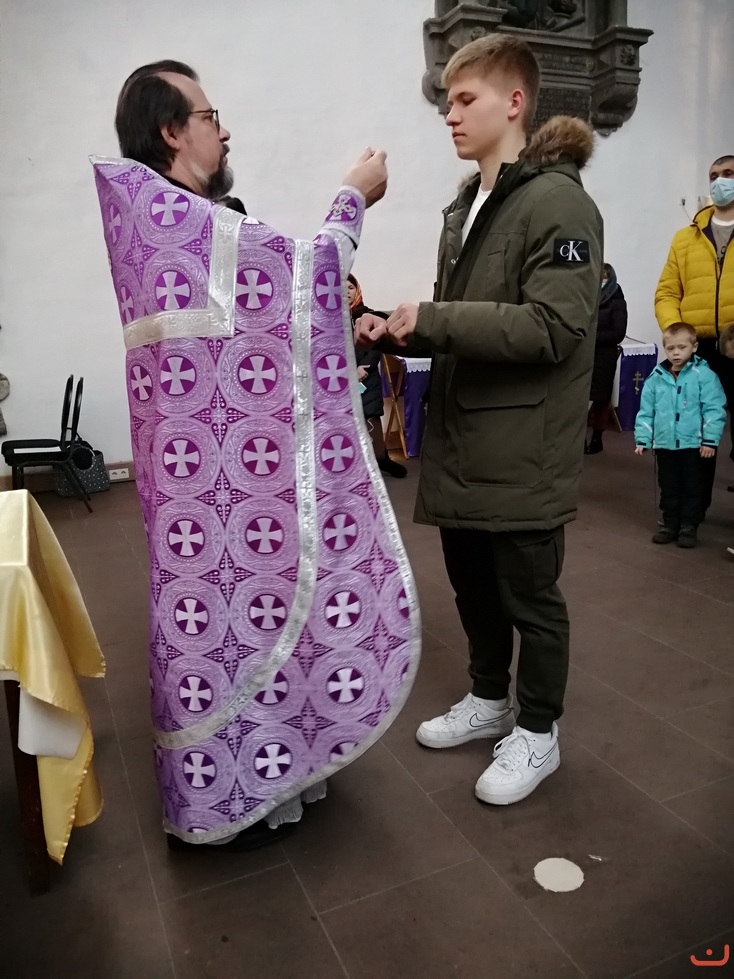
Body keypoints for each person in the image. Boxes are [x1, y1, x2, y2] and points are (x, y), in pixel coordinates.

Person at [94, 60, 420, 850]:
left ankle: (275, 772)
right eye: (210, 116)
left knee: (258, 621)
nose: (225, 129)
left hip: (240, 485)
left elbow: (272, 323)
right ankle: (232, 793)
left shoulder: (186, 220)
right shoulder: (175, 224)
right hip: (217, 494)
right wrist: (352, 198)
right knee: (230, 629)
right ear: (173, 131)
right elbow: (304, 276)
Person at [355, 35, 603, 805]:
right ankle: (490, 696)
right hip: (466, 438)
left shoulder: (559, 202)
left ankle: (538, 730)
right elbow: (472, 319)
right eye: (447, 101)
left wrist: (435, 317)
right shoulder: (467, 206)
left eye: (466, 99)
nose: (451, 115)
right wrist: (403, 328)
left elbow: (554, 328)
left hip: (523, 444)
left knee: (531, 595)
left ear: (515, 102)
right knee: (472, 585)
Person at [655, 155, 734, 500]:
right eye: (714, 175)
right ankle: (691, 513)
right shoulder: (685, 239)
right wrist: (677, 333)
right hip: (699, 351)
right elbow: (667, 292)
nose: (720, 181)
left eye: (729, 173)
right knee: (696, 435)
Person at [634, 323, 726, 547]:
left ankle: (688, 526)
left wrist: (710, 440)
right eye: (670, 348)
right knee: (669, 486)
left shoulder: (705, 376)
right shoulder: (656, 378)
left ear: (694, 347)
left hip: (693, 445)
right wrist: (643, 439)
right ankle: (670, 524)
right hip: (665, 444)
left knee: (693, 487)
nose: (676, 353)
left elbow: (714, 410)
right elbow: (646, 411)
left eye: (682, 347)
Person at [347, 274, 407, 478]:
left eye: (350, 288)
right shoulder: (329, 319)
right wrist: (349, 371)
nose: (347, 292)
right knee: (348, 419)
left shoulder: (367, 315)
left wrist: (362, 368)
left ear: (357, 291)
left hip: (367, 376)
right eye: (341, 288)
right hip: (342, 377)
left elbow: (376, 345)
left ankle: (381, 457)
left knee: (370, 413)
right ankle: (356, 465)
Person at [585, 263, 627, 454]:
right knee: (579, 398)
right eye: (599, 277)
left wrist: (591, 337)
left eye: (605, 277)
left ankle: (597, 439)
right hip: (585, 355)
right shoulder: (587, 297)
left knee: (601, 399)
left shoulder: (617, 301)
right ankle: (577, 440)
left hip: (604, 356)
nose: (601, 281)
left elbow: (618, 333)